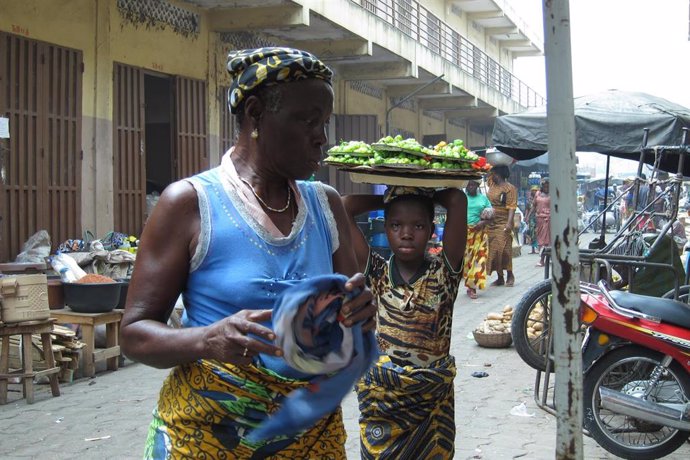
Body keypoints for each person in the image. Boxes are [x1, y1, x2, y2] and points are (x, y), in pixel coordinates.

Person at [119, 47, 377, 459]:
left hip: (310, 437)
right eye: (308, 121)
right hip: (207, 438)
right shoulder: (189, 204)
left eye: (324, 123)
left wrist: (359, 314)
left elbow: (348, 319)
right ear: (255, 115)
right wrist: (206, 339)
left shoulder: (326, 205)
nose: (321, 138)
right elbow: (133, 335)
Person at [342, 186, 467, 458]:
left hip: (431, 404)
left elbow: (457, 200)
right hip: (383, 403)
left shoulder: (445, 273)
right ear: (385, 228)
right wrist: (392, 198)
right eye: (396, 225)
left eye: (418, 225)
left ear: (432, 229)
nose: (406, 234)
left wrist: (422, 195)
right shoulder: (376, 272)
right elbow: (345, 206)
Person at [486, 165, 517, 286]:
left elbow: (512, 207)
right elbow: (486, 171)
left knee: (504, 249)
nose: (491, 176)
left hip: (503, 221)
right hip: (491, 222)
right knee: (493, 251)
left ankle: (510, 274)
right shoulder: (491, 184)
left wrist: (509, 223)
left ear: (498, 175)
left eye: (493, 174)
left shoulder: (510, 188)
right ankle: (500, 277)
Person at [464, 179, 492, 299]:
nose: (470, 186)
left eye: (472, 184)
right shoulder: (462, 198)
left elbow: (491, 216)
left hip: (480, 233)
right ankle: (470, 285)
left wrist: (483, 222)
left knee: (480, 259)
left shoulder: (483, 199)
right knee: (468, 261)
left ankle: (473, 286)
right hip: (465, 233)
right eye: (468, 184)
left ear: (477, 185)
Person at [534, 179, 551, 267]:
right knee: (540, 240)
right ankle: (544, 258)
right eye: (545, 186)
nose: (546, 188)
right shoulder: (538, 194)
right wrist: (527, 216)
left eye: (548, 186)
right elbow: (534, 205)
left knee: (546, 241)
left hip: (548, 220)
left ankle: (542, 260)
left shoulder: (553, 195)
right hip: (539, 220)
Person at [524, 185, 539, 254]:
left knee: (538, 232)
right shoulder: (529, 200)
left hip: (539, 217)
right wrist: (526, 217)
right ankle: (533, 249)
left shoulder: (539, 199)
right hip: (531, 218)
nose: (534, 191)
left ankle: (539, 247)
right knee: (532, 232)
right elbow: (527, 209)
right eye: (533, 190)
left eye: (535, 190)